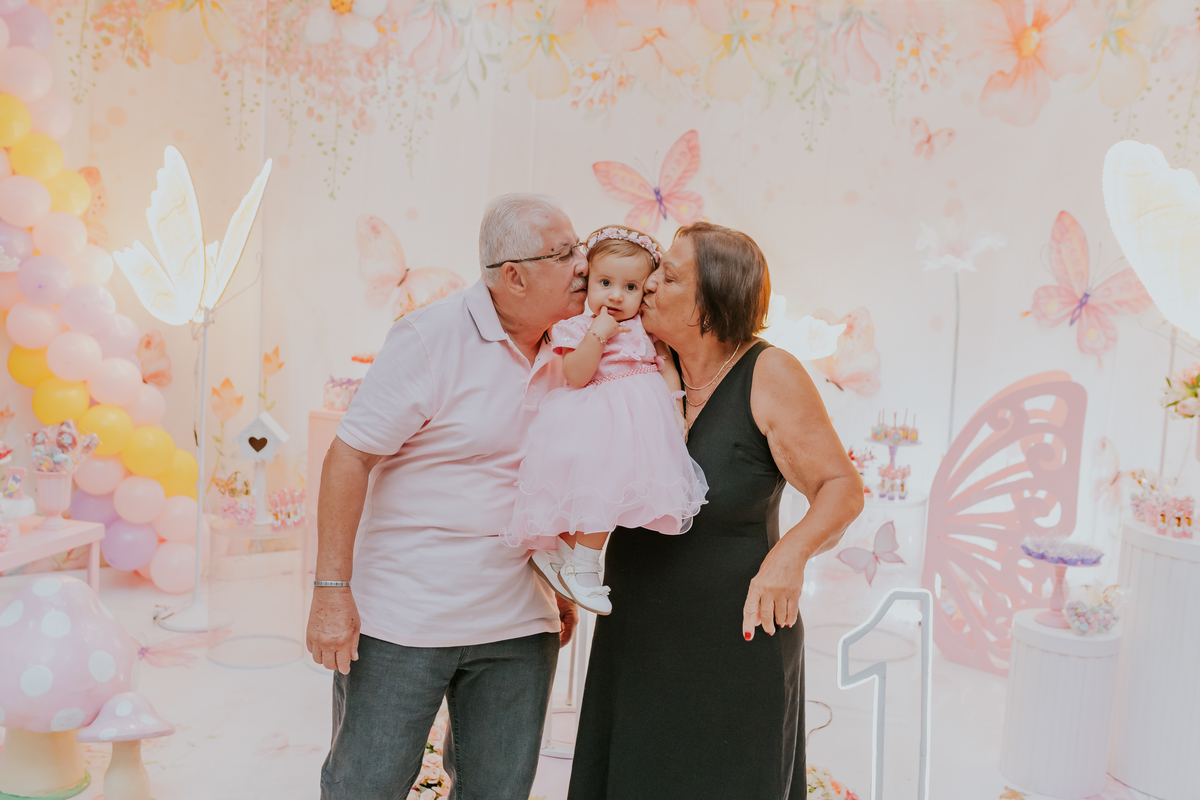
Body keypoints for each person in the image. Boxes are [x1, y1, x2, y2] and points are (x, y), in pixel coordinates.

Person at [567, 222, 865, 799]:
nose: (648, 284)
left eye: (670, 276)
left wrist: (789, 557)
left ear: (713, 301)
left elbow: (841, 488)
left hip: (732, 646)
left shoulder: (770, 373)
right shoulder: (637, 363)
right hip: (635, 637)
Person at [308, 193, 585, 800]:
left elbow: (557, 478)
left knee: (498, 791)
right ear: (513, 276)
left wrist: (561, 588)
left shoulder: (576, 352)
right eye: (565, 253)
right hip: (404, 621)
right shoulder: (430, 339)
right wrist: (331, 590)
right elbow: (348, 456)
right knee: (366, 785)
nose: (583, 263)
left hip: (519, 623)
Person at [502, 225, 708, 616]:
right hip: (599, 420)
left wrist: (675, 410)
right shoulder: (578, 327)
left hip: (641, 426)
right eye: (605, 282)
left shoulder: (647, 329)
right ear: (588, 281)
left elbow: (666, 371)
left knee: (617, 496)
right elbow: (576, 374)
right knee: (599, 492)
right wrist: (597, 333)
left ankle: (564, 554)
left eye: (631, 288)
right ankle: (583, 567)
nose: (616, 295)